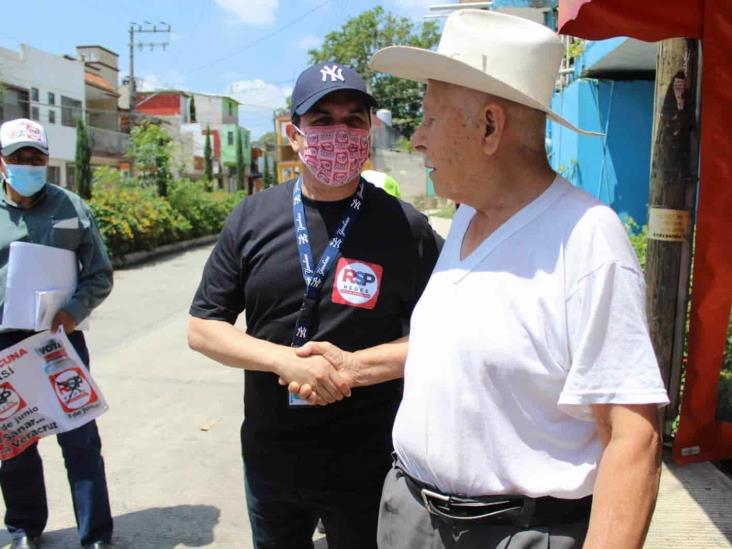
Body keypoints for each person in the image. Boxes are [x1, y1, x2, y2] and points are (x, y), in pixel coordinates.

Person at [365, 10, 669, 548]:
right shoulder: (465, 217)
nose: (417, 139)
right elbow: (461, 349)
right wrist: (352, 364)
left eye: (430, 118)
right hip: (412, 516)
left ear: (488, 126)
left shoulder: (585, 239)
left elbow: (631, 436)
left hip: (514, 533)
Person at [187, 62, 441, 549]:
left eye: (353, 120)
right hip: (270, 457)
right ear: (295, 134)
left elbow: (438, 339)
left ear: (371, 131)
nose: (338, 133)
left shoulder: (404, 228)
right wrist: (280, 358)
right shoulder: (252, 217)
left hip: (369, 460)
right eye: (322, 120)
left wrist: (352, 369)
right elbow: (203, 327)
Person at [0, 119, 114, 549]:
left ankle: (96, 534)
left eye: (35, 158)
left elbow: (100, 274)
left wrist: (71, 311)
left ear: (46, 160)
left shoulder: (72, 208)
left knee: (80, 437)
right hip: (4, 343)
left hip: (60, 339)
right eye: (18, 158)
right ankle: (24, 528)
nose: (27, 165)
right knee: (15, 441)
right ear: (1, 163)